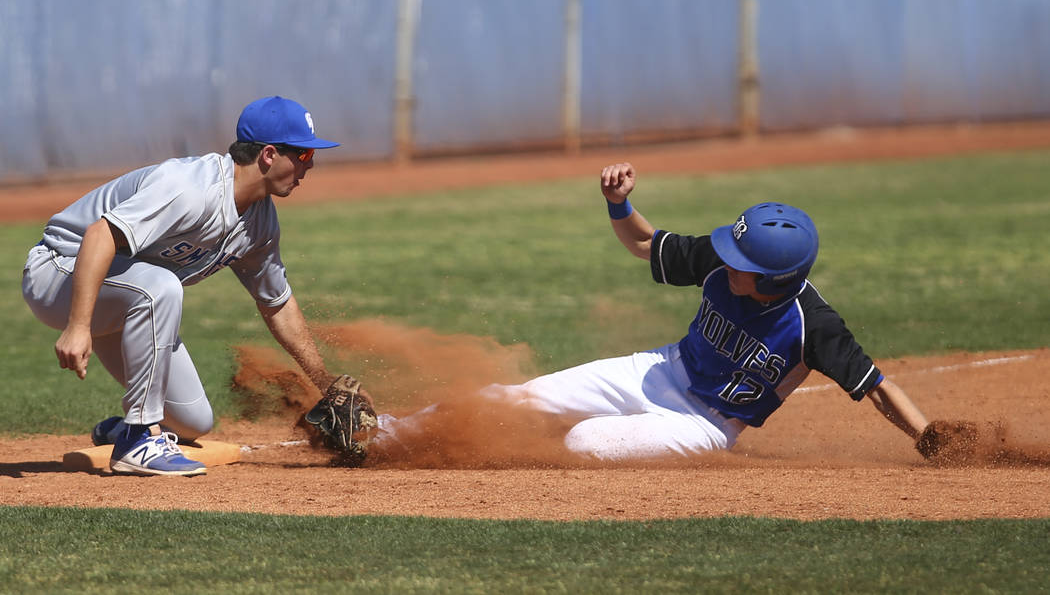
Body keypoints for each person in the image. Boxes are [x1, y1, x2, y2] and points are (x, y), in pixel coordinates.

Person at [375, 162, 930, 463]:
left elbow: (876, 386)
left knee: (583, 443)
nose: (727, 263)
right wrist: (620, 203)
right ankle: (376, 436)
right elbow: (645, 245)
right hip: (660, 370)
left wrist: (928, 436)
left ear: (775, 280)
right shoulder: (722, 259)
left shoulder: (815, 326)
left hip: (703, 424)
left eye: (742, 264)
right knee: (518, 400)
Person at [22, 96, 343, 476]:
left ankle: (118, 429)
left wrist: (329, 385)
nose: (310, 165)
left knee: (193, 423)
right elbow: (98, 236)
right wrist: (77, 326)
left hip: (124, 294)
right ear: (270, 155)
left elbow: (277, 305)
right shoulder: (190, 188)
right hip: (60, 271)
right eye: (304, 155)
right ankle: (136, 440)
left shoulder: (260, 223)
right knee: (161, 284)